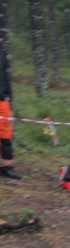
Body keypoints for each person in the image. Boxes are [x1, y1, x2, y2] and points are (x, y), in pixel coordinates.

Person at [0, 48, 18, 180]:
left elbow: (5, 74)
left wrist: (8, 94)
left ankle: (7, 167)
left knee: (6, 135)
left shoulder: (2, 52)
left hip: (2, 100)